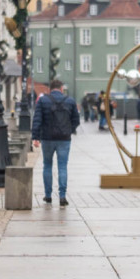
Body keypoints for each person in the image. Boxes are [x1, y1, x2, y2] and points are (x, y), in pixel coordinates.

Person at [31, 78, 80, 206]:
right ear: (62, 88)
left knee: (47, 165)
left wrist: (35, 137)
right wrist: (69, 130)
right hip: (64, 139)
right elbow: (76, 120)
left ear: (50, 89)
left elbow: (37, 120)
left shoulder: (43, 100)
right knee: (62, 167)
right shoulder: (70, 101)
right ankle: (62, 197)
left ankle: (48, 196)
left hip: (47, 138)